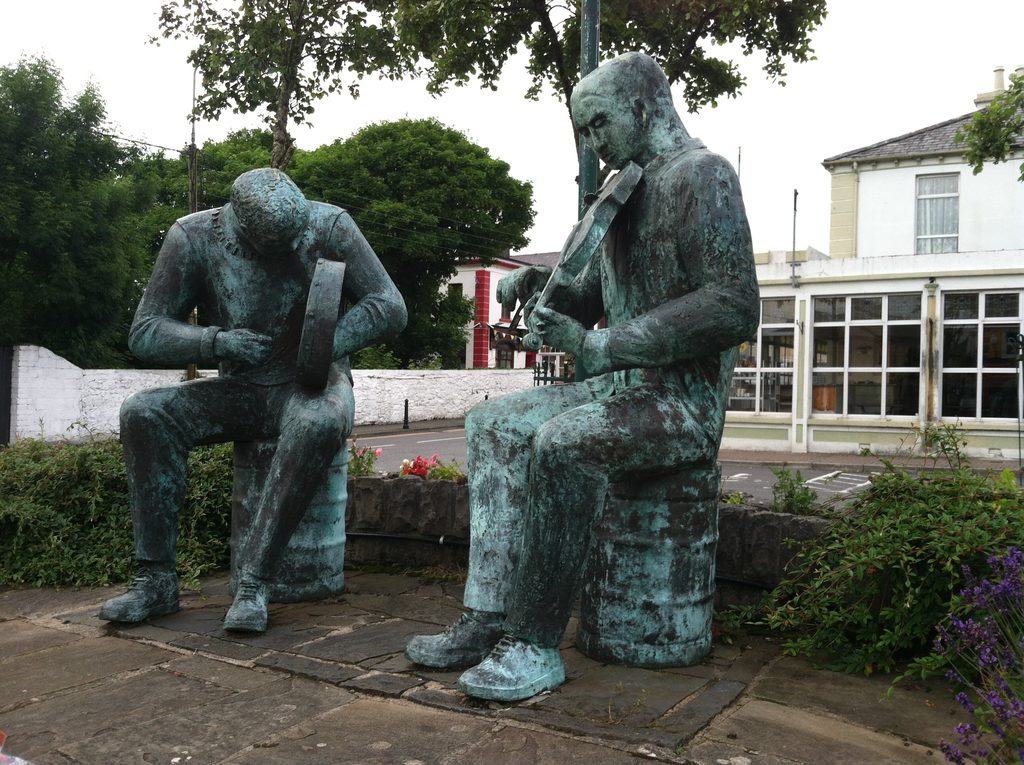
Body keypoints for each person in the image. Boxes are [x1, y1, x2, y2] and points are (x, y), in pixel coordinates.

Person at [405, 52, 759, 701]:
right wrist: (537, 285)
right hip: (620, 390)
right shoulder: (626, 190)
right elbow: (585, 296)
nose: (593, 146)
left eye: (598, 126)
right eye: (585, 132)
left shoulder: (701, 177)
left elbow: (735, 303)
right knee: (492, 421)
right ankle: (487, 616)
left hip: (679, 402)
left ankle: (534, 643)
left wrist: (601, 347)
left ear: (642, 108)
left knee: (562, 443)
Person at [99, 168, 406, 633]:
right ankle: (156, 579)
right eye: (278, 245)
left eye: (297, 234)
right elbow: (145, 333)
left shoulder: (330, 225)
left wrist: (324, 344)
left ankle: (254, 583)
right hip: (240, 390)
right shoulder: (193, 237)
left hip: (312, 386)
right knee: (144, 413)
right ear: (240, 224)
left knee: (316, 424)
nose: (295, 246)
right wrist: (216, 342)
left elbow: (388, 305)